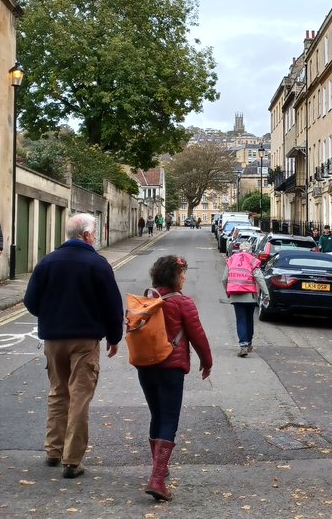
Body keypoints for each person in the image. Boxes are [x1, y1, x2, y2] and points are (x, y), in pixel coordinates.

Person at [23, 214, 124, 479]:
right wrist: (115, 337)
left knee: (58, 392)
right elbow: (112, 307)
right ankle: (72, 460)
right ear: (88, 235)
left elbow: (31, 302)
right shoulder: (98, 264)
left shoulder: (47, 262)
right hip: (85, 340)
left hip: (53, 339)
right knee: (80, 395)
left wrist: (51, 316)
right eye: (94, 233)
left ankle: (53, 451)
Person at [137, 255, 212, 502]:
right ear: (175, 277)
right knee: (169, 419)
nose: (185, 278)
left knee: (157, 415)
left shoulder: (148, 300)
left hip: (146, 366)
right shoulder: (183, 303)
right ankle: (157, 479)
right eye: (182, 274)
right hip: (171, 368)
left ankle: (161, 467)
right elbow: (197, 334)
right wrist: (207, 361)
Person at [223, 241, 261, 356]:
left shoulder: (232, 259)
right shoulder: (252, 260)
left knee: (241, 319)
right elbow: (260, 278)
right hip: (250, 295)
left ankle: (243, 345)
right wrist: (266, 293)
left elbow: (224, 278)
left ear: (239, 250)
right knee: (249, 318)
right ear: (250, 251)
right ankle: (249, 343)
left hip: (236, 294)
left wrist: (227, 291)